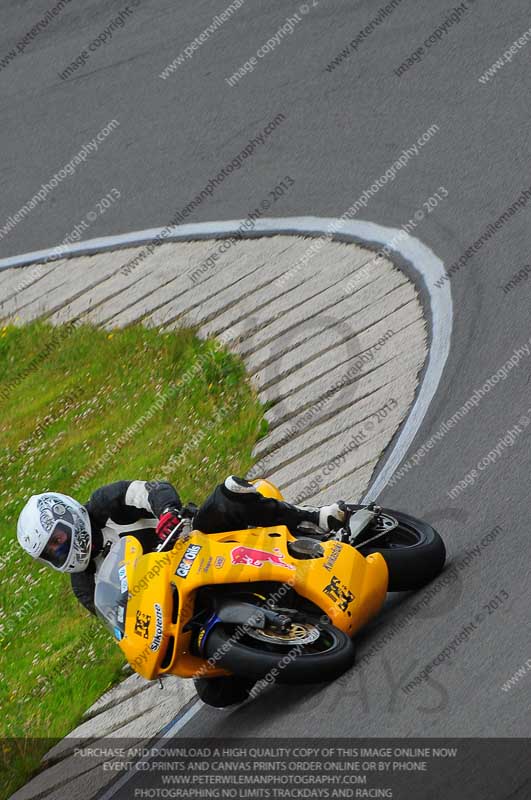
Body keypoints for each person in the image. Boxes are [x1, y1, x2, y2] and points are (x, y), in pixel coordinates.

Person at [16, 476, 346, 706]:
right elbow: (118, 619)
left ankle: (314, 518)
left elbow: (149, 490)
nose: (60, 551)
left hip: (193, 542)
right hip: (177, 605)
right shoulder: (83, 585)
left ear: (69, 517)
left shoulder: (104, 504)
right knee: (216, 692)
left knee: (227, 495)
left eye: (58, 539)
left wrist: (167, 511)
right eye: (51, 552)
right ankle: (266, 644)